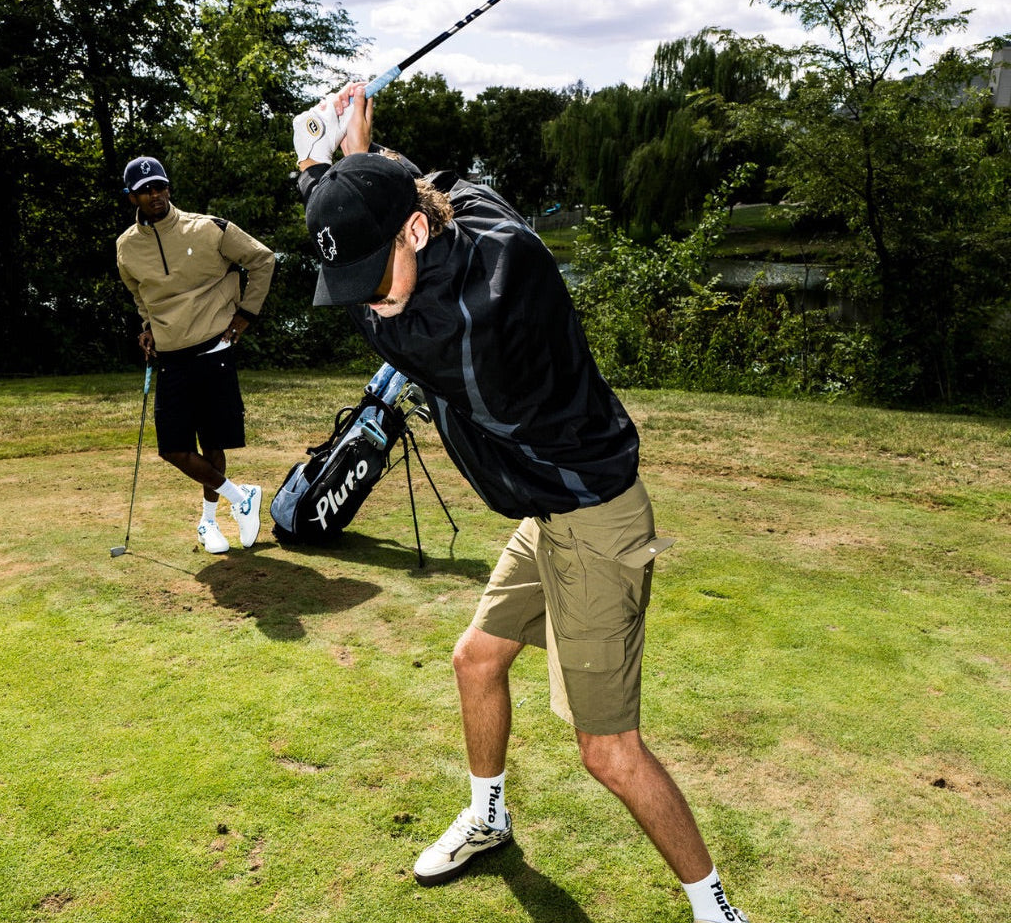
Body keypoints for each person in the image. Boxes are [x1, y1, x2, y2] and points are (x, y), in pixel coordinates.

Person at [291, 84, 751, 923]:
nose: (366, 299)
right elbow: (420, 189)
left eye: (372, 275)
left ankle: (717, 910)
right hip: (550, 511)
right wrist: (350, 160)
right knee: (476, 659)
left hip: (596, 523)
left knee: (607, 751)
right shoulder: (478, 219)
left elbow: (387, 298)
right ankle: (489, 818)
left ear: (417, 232)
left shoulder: (455, 328)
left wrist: (334, 158)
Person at [116, 156, 274, 553]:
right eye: (145, 189)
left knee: (213, 444)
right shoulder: (126, 248)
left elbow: (263, 259)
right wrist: (148, 326)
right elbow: (140, 294)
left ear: (168, 188)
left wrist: (245, 315)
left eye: (159, 186)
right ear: (131, 196)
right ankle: (243, 498)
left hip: (215, 349)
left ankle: (209, 524)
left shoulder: (209, 228)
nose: (154, 194)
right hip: (171, 357)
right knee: (173, 449)